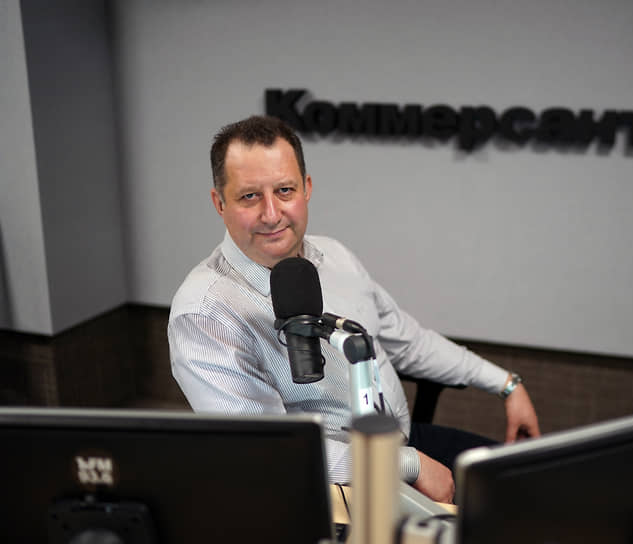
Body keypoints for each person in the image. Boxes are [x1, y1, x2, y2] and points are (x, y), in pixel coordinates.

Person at [168, 115, 540, 503]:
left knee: (529, 483)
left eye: (284, 190)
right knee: (499, 522)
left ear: (307, 188)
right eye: (249, 196)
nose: (272, 213)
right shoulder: (204, 312)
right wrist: (408, 465)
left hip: (404, 443)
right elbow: (272, 450)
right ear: (219, 202)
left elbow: (407, 341)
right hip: (328, 486)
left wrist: (506, 384)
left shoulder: (334, 255)